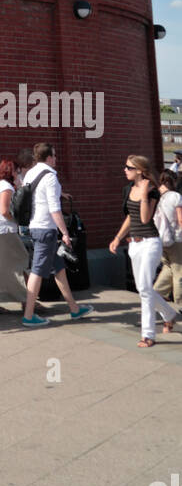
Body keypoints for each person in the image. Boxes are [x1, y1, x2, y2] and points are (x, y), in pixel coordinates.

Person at [22, 144, 93, 328]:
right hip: (47, 229)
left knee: (59, 269)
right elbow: (54, 209)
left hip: (35, 226)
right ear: (48, 158)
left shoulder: (30, 173)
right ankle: (28, 315)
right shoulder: (51, 177)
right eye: (54, 155)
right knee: (37, 271)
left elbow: (37, 197)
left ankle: (75, 309)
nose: (56, 159)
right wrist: (65, 232)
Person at [110, 155, 179, 346]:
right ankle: (169, 313)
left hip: (150, 243)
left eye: (129, 167)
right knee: (143, 288)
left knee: (146, 290)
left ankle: (148, 335)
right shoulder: (127, 189)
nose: (125, 170)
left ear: (140, 170)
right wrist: (117, 237)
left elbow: (144, 218)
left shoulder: (152, 191)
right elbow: (131, 218)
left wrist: (143, 195)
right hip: (134, 244)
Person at [0, 159, 29, 315]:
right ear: (12, 172)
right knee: (21, 261)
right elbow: (4, 211)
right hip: (5, 231)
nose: (19, 175)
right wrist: (17, 220)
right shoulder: (6, 186)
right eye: (17, 172)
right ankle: (27, 302)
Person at [154, 170, 182, 310]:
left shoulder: (160, 197)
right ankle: (180, 303)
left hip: (162, 239)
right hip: (177, 239)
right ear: (173, 181)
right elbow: (180, 218)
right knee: (179, 271)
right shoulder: (176, 196)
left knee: (168, 267)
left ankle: (156, 293)